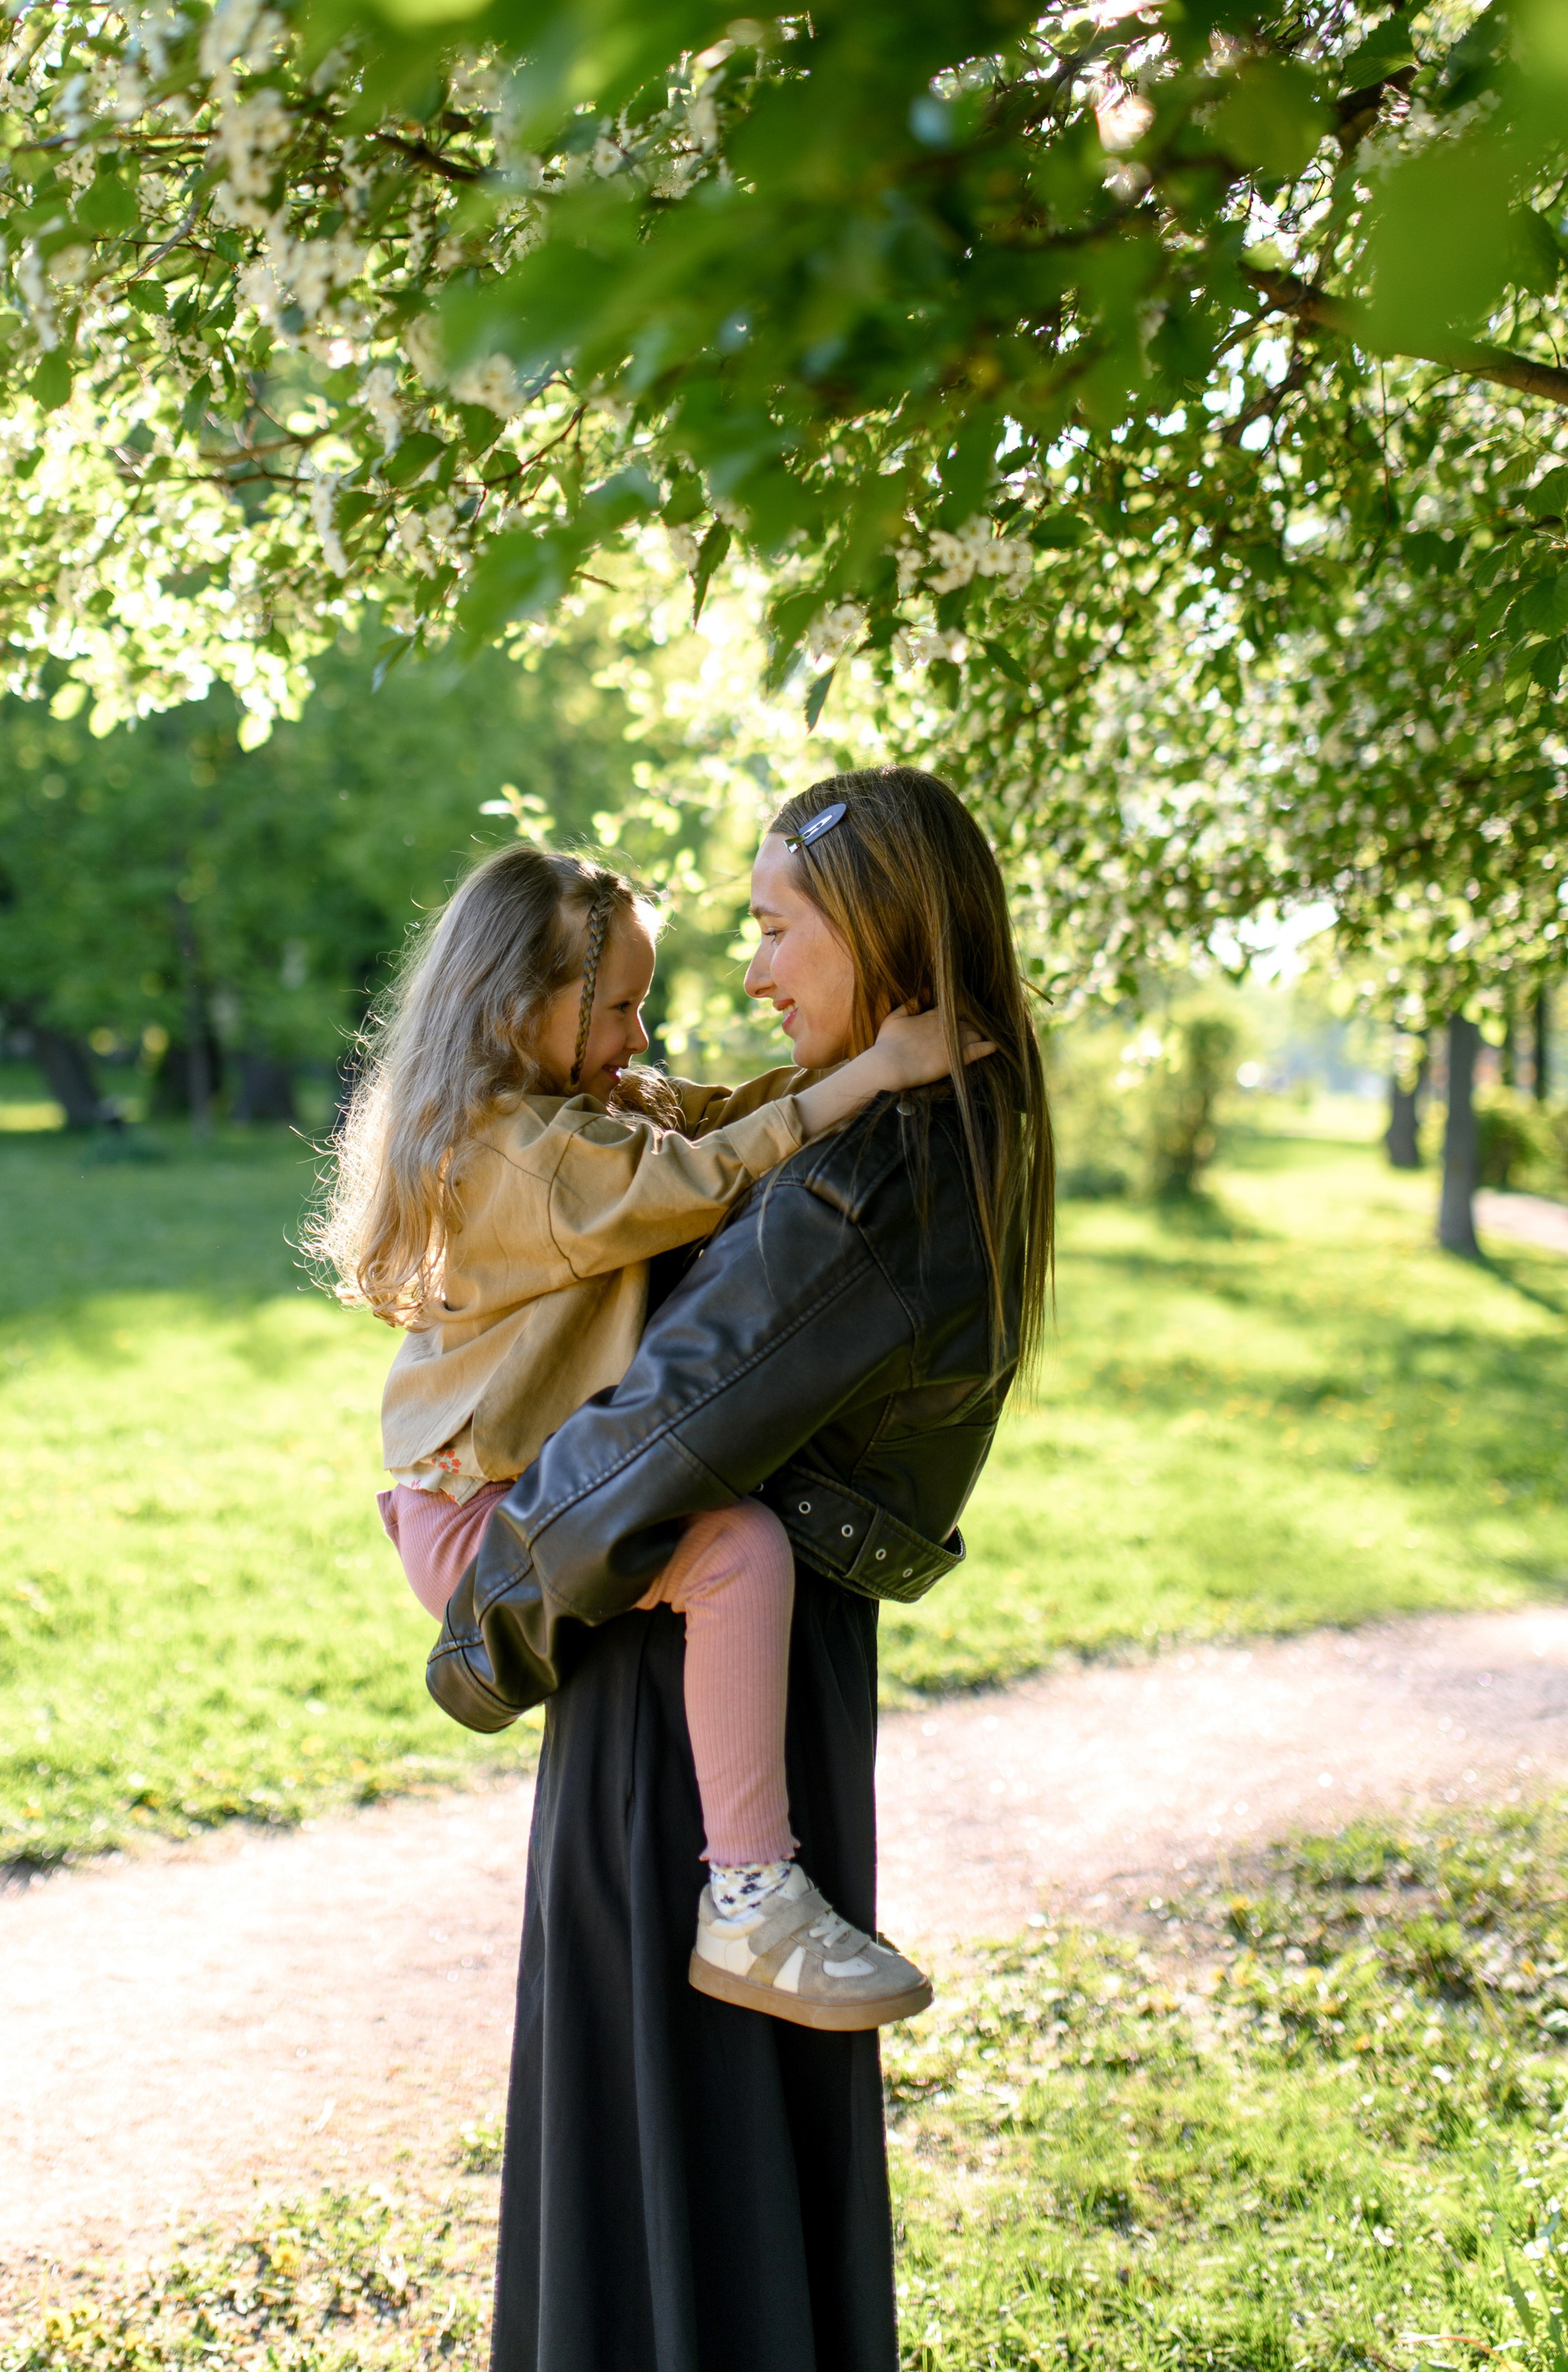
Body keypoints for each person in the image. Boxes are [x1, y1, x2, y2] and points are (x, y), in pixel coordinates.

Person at [429, 767, 1055, 2372]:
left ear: (875, 930)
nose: (755, 970)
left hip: (660, 1670)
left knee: (670, 2116)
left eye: (777, 927)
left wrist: (482, 1625)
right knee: (733, 2116)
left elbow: (656, 1435)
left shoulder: (873, 1162)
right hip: (755, 1658)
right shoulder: (933, 1123)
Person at [314, 838, 976, 2023]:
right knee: (735, 1553)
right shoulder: (506, 1155)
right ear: (525, 1010)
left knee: (726, 1548)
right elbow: (701, 1178)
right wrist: (876, 1070)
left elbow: (725, 1119)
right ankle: (750, 1899)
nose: (636, 1039)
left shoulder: (582, 1110)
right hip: (490, 1522)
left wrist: (878, 1064)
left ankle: (750, 1891)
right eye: (617, 1007)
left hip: (535, 1495)